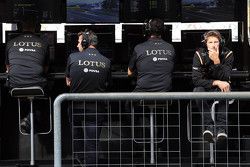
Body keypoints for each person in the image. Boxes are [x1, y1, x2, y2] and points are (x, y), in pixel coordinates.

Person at [65, 29, 111, 166]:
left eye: (79, 42)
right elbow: (107, 84)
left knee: (77, 137)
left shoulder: (72, 57)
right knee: (92, 143)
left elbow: (68, 82)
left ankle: (80, 160)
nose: (77, 45)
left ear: (85, 42)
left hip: (76, 107)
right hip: (96, 108)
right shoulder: (106, 61)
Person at [5, 16, 50, 133]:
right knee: (47, 88)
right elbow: (46, 69)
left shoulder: (10, 42)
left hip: (15, 85)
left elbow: (8, 68)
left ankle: (25, 119)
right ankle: (33, 120)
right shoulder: (43, 43)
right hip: (37, 85)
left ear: (20, 28)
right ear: (37, 28)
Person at [192, 30, 234, 143]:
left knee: (225, 88)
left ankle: (221, 129)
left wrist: (216, 61)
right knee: (197, 90)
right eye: (210, 42)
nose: (213, 45)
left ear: (220, 43)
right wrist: (216, 82)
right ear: (205, 44)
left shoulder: (228, 53)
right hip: (207, 87)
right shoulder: (199, 54)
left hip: (222, 88)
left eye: (216, 42)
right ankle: (209, 127)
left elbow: (225, 77)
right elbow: (196, 80)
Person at [127, 18, 175, 92]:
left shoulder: (138, 48)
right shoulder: (170, 48)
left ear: (147, 30)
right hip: (165, 95)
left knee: (127, 103)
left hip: (142, 95)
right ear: (163, 30)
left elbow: (129, 73)